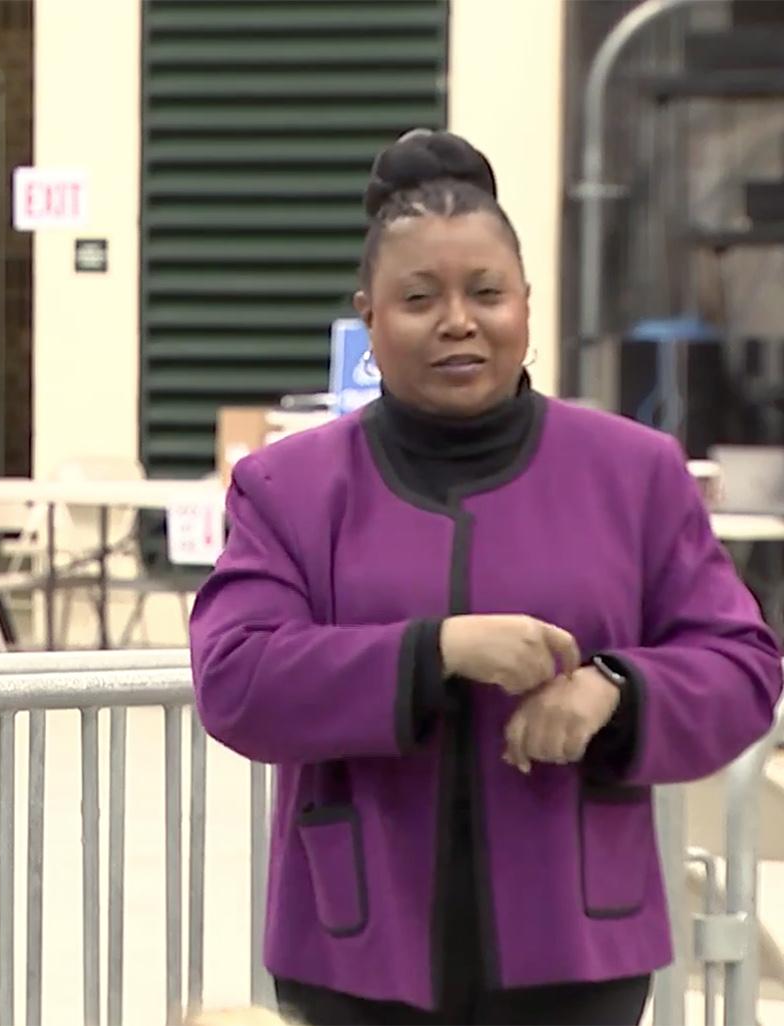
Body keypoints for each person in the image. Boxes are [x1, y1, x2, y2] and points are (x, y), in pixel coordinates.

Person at [189, 130, 783, 1026]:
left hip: (580, 950)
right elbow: (236, 678)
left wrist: (614, 693)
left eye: (486, 293)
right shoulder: (290, 488)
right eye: (419, 297)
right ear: (370, 318)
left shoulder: (634, 473)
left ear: (528, 307)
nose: (457, 321)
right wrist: (435, 652)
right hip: (354, 949)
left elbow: (741, 665)